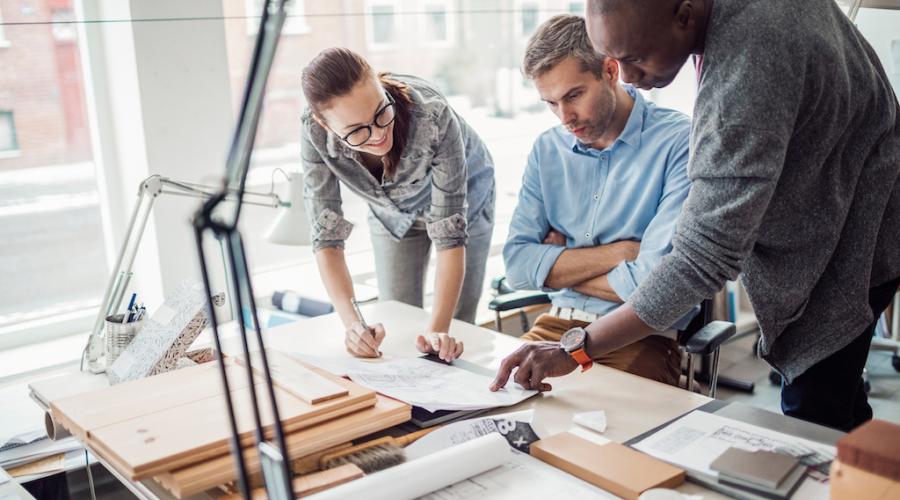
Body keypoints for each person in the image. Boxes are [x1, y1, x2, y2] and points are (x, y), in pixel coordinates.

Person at [491, 0, 900, 432]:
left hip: (851, 239)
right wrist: (620, 256)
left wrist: (576, 341)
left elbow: (699, 259)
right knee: (844, 416)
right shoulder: (741, 19)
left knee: (813, 426)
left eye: (633, 58)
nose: (628, 78)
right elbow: (520, 264)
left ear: (684, 15)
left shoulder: (744, 72)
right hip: (856, 203)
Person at [503, 14, 694, 386]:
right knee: (496, 419)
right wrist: (623, 253)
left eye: (574, 96)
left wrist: (557, 269)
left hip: (640, 336)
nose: (565, 117)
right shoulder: (547, 150)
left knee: (598, 440)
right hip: (552, 328)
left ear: (609, 70)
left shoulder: (679, 143)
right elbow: (517, 266)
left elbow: (655, 286)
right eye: (551, 103)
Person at [300, 47, 496, 362]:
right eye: (356, 131)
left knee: (452, 332)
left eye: (381, 113)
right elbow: (327, 240)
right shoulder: (313, 134)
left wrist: (437, 333)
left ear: (379, 83)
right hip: (390, 211)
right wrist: (354, 327)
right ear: (324, 126)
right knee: (398, 318)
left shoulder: (433, 116)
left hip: (465, 202)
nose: (378, 135)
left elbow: (450, 241)